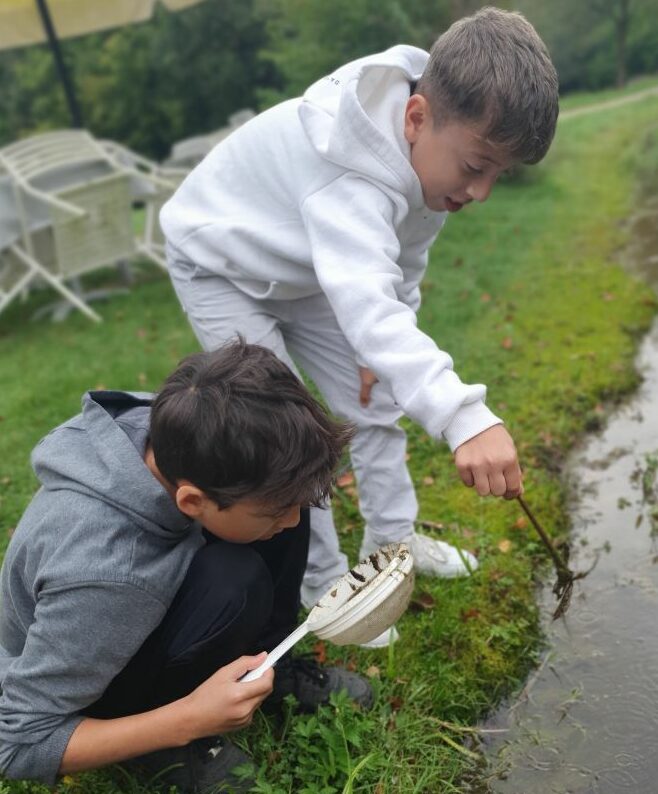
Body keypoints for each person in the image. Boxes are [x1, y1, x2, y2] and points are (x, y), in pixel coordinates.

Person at [160, 7, 559, 644]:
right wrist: (464, 417)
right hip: (222, 265)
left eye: (498, 175)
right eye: (477, 166)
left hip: (315, 267)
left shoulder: (432, 158)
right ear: (417, 117)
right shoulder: (348, 170)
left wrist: (380, 349)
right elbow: (368, 304)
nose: (480, 192)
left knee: (375, 404)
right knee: (283, 431)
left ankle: (391, 551)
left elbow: (402, 260)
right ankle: (324, 585)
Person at [0, 339, 372, 792]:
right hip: (92, 678)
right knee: (234, 580)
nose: (295, 521)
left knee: (278, 496)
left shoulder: (174, 430)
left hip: (128, 600)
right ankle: (161, 747)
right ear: (191, 500)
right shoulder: (107, 576)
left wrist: (276, 511)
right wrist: (185, 719)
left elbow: (277, 501)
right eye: (278, 512)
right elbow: (18, 741)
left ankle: (270, 668)